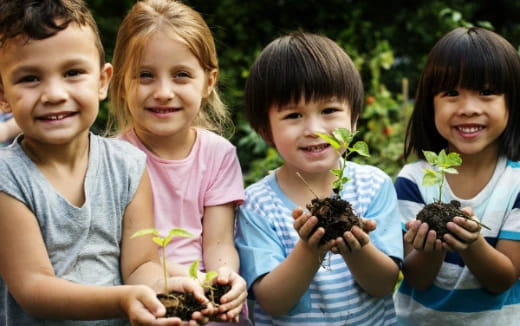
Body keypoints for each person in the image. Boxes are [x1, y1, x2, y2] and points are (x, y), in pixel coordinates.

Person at [0, 0, 210, 325]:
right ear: (2, 93)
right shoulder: (7, 177)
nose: (54, 93)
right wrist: (124, 299)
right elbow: (33, 288)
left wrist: (164, 287)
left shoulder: (128, 165)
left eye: (72, 73)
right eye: (30, 78)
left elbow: (141, 265)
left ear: (102, 80)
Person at [234, 32, 403, 325]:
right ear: (265, 130)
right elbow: (273, 302)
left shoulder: (374, 186)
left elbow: (384, 284)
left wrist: (358, 247)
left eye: (329, 110)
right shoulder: (256, 205)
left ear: (354, 118)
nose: (314, 128)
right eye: (293, 116)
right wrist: (309, 249)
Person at [109, 0, 250, 324]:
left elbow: (219, 243)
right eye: (145, 75)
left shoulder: (218, 154)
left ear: (208, 81)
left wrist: (224, 279)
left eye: (181, 75)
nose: (163, 92)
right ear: (121, 81)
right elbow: (132, 263)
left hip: (207, 304)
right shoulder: (113, 159)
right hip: (149, 304)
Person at [394, 27, 520, 325]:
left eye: (486, 92)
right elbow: (417, 278)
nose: (468, 109)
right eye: (451, 93)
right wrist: (431, 247)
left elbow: (503, 278)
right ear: (430, 104)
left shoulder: (516, 184)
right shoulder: (413, 180)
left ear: (512, 103)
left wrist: (472, 244)